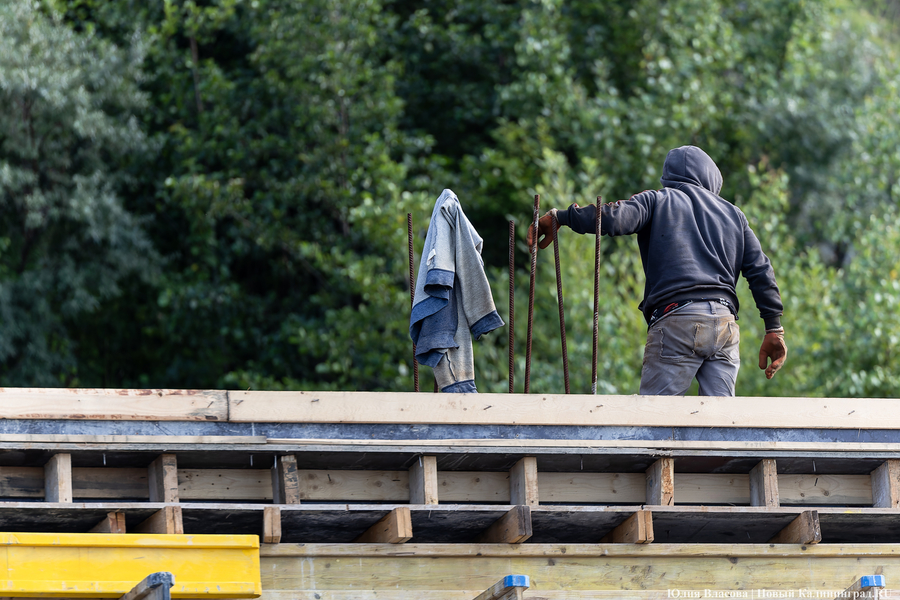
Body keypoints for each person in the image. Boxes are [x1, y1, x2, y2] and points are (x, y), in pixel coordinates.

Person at [527, 145, 787, 396]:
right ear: (712, 179)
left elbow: (612, 218)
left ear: (669, 177)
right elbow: (761, 270)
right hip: (724, 325)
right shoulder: (734, 215)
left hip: (677, 321)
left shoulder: (657, 200)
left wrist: (561, 217)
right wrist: (774, 328)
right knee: (718, 427)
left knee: (655, 423)